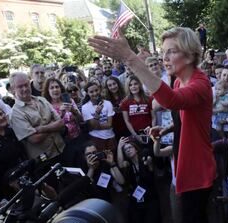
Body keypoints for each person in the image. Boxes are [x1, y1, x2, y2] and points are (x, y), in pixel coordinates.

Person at [88, 26, 216, 223]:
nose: (164, 58)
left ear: (190, 56)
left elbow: (170, 101)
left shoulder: (200, 83)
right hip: (183, 159)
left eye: (171, 51)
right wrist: (171, 128)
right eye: (163, 52)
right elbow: (187, 114)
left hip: (197, 169)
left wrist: (130, 58)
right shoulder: (178, 81)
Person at [9, 72, 65, 164]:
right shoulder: (15, 113)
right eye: (20, 86)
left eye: (26, 84)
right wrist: (53, 125)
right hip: (45, 161)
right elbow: (34, 139)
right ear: (12, 89)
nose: (25, 88)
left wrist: (40, 128)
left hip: (62, 148)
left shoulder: (42, 100)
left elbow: (61, 123)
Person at [42, 78, 84, 167]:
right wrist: (61, 115)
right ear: (47, 91)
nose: (55, 90)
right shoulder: (47, 106)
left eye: (57, 87)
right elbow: (50, 127)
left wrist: (73, 110)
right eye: (52, 88)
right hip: (63, 143)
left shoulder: (69, 100)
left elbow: (81, 119)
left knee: (82, 161)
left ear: (61, 88)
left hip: (78, 138)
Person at [116, 137, 160, 223]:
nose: (128, 150)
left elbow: (151, 168)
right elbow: (121, 164)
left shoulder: (144, 157)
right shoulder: (128, 164)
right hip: (137, 197)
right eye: (125, 150)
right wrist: (119, 147)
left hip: (150, 195)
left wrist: (149, 164)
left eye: (130, 148)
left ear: (135, 149)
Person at [81, 82, 116, 151]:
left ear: (99, 89)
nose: (95, 93)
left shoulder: (108, 103)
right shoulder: (85, 107)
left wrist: (95, 126)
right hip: (96, 138)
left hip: (110, 136)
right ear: (87, 93)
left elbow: (109, 124)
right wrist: (97, 113)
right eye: (91, 92)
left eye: (96, 90)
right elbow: (93, 126)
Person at [120, 76, 155, 144]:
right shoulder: (125, 102)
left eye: (135, 84)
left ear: (139, 84)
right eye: (130, 85)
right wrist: (135, 136)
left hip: (149, 131)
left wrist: (152, 132)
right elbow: (127, 121)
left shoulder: (149, 99)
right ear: (128, 87)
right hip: (135, 133)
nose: (133, 86)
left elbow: (154, 117)